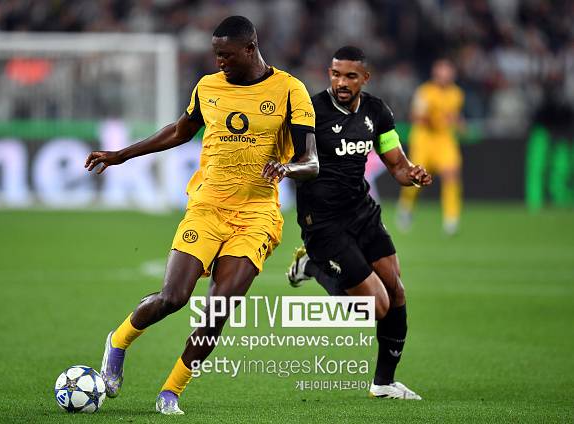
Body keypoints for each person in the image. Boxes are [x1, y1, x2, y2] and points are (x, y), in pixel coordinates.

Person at [85, 16, 318, 415]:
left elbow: (311, 161)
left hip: (256, 215)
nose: (219, 62)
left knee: (218, 309)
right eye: (216, 55)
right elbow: (180, 131)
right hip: (207, 207)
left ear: (250, 48)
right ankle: (118, 341)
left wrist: (287, 168)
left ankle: (171, 392)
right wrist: (122, 154)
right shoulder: (208, 87)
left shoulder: (290, 90)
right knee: (173, 298)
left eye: (227, 55)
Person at [287, 46, 431, 400]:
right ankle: (312, 266)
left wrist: (412, 174)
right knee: (376, 307)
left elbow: (396, 165)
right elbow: (297, 159)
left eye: (350, 76)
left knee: (396, 290)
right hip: (323, 222)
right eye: (336, 74)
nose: (341, 82)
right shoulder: (311, 111)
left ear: (365, 78)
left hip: (362, 212)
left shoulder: (377, 112)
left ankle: (383, 384)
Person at [397, 59, 465, 235]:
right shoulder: (425, 92)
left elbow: (454, 116)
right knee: (415, 178)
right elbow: (416, 116)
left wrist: (459, 123)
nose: (445, 76)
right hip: (424, 139)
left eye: (448, 72)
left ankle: (451, 219)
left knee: (451, 175)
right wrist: (434, 119)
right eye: (442, 72)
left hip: (444, 140)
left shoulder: (456, 94)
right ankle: (406, 208)